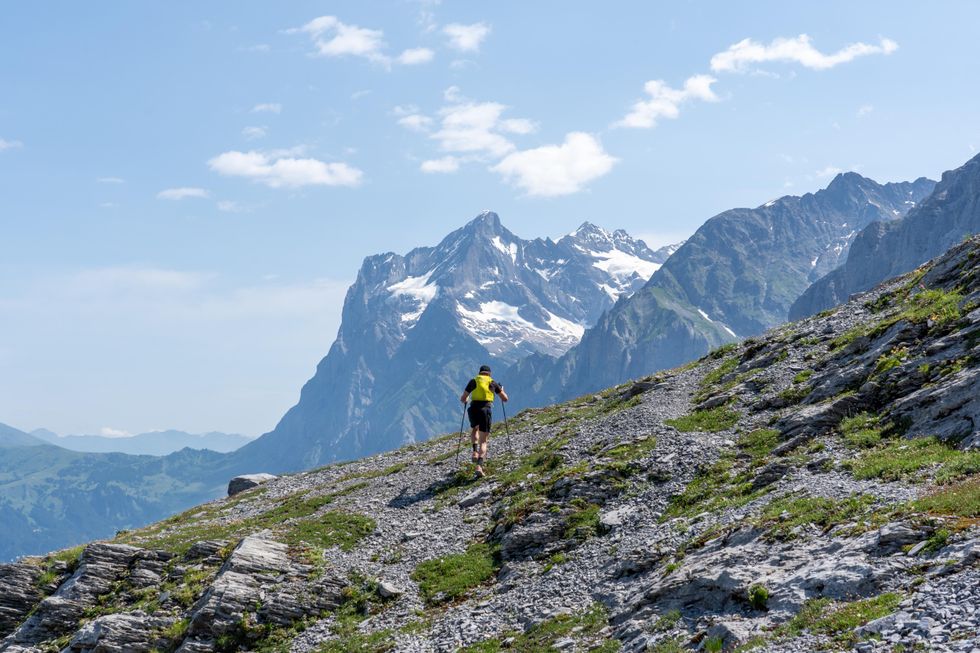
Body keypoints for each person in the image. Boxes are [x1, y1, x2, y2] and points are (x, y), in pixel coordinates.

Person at [460, 364, 509, 478]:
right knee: (484, 441)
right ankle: (479, 466)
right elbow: (505, 399)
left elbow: (463, 398)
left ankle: (474, 451)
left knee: (474, 429)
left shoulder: (473, 381)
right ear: (489, 373)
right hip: (485, 410)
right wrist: (501, 390)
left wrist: (467, 398)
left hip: (473, 408)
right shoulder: (492, 382)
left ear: (480, 372)